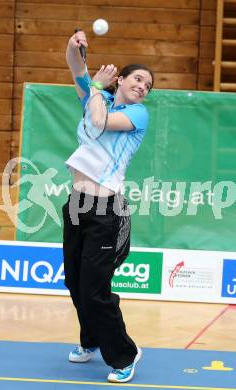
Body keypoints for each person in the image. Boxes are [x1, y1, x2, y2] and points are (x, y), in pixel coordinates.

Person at [62, 30, 153, 383]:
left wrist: (97, 88)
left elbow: (100, 121)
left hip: (106, 210)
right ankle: (91, 341)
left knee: (95, 288)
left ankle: (125, 355)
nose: (143, 87)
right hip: (76, 206)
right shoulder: (95, 98)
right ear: (122, 79)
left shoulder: (137, 114)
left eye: (148, 84)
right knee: (74, 281)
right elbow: (75, 68)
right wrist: (75, 45)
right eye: (138, 79)